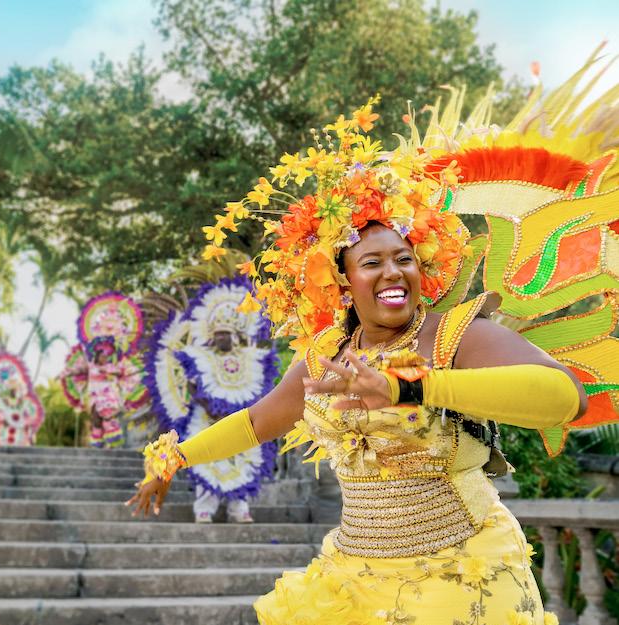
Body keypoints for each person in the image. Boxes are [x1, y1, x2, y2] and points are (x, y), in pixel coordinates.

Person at [128, 80, 617, 624]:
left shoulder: (455, 335)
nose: (393, 272)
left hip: (460, 577)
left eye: (404, 259)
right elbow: (257, 421)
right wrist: (176, 458)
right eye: (372, 262)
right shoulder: (325, 354)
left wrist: (413, 385)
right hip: (353, 581)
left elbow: (564, 396)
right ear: (342, 281)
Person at [144, 275, 279, 523]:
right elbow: (193, 386)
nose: (221, 338)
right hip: (205, 418)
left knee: (244, 460)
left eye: (226, 334)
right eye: (218, 334)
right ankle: (204, 509)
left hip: (241, 419)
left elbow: (259, 391)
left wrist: (237, 413)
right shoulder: (198, 357)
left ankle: (239, 509)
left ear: (234, 334)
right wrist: (211, 408)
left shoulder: (252, 359)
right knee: (205, 460)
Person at [60, 292, 149, 448]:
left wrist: (110, 373)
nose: (105, 357)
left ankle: (113, 442)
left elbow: (124, 372)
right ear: (97, 354)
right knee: (95, 418)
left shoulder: (113, 365)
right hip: (94, 395)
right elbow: (78, 370)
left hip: (108, 395)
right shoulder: (91, 365)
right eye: (102, 355)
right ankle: (99, 442)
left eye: (107, 355)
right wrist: (66, 373)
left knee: (108, 417)